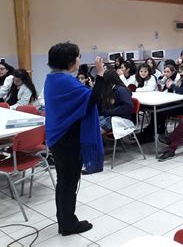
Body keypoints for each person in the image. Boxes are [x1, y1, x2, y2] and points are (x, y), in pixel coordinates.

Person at [45, 42, 105, 236]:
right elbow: (93, 99)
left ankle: (64, 220)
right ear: (70, 61)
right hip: (66, 139)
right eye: (78, 56)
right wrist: (101, 74)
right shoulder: (64, 80)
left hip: (58, 137)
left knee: (64, 182)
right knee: (68, 183)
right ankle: (69, 225)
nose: (80, 59)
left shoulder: (53, 77)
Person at [137, 63, 183, 143]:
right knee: (158, 109)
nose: (180, 73)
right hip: (179, 103)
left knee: (159, 111)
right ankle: (154, 132)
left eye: (181, 71)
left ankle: (156, 132)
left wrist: (172, 85)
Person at [98, 69, 133, 135]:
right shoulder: (110, 89)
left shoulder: (121, 90)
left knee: (96, 131)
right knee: (92, 122)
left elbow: (128, 106)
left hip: (121, 118)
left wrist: (110, 111)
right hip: (111, 115)